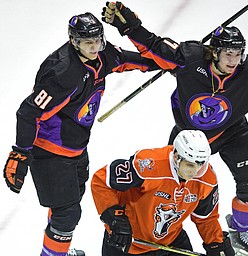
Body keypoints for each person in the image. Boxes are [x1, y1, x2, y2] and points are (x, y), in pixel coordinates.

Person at [101, 2, 248, 255]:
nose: (234, 61)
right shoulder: (190, 59)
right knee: (173, 187)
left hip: (234, 131)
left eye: (238, 54)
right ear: (214, 52)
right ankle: (161, 230)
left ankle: (239, 231)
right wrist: (127, 25)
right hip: (189, 137)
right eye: (228, 54)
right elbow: (154, 45)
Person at [2, 12, 160, 256]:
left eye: (98, 40)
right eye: (88, 42)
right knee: (68, 214)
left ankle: (57, 250)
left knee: (67, 206)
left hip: (76, 147)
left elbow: (133, 60)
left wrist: (167, 63)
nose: (95, 47)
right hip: (50, 152)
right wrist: (20, 153)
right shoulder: (63, 72)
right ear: (74, 42)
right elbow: (28, 112)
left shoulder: (101, 55)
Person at [91, 129, 235, 256]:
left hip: (171, 242)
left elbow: (206, 218)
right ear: (177, 157)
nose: (195, 172)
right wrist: (114, 218)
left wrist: (216, 243)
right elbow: (101, 181)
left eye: (201, 165)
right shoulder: (149, 166)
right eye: (190, 165)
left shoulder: (206, 179)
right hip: (128, 242)